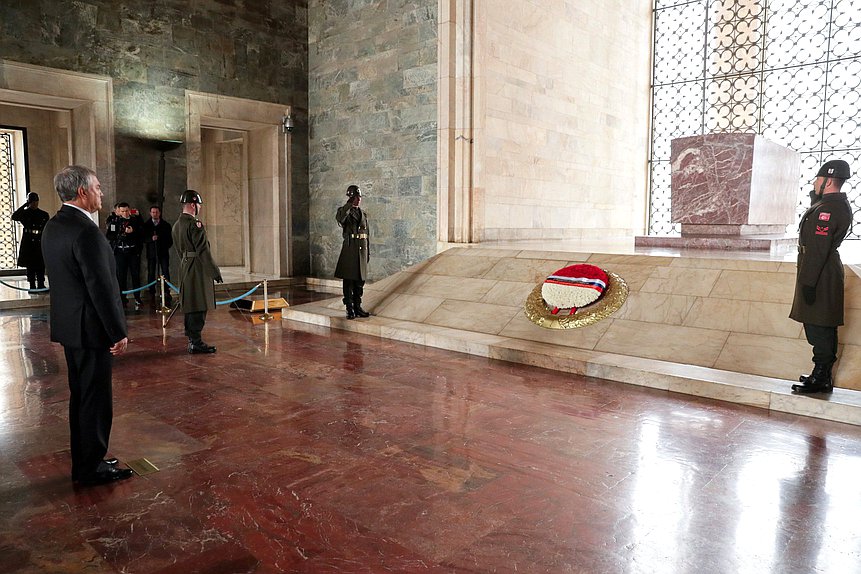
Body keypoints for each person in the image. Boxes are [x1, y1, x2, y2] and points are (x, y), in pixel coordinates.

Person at [40, 165, 133, 486]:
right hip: (92, 330)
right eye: (96, 187)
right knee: (95, 399)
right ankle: (90, 469)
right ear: (82, 192)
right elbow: (101, 287)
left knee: (81, 396)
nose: (101, 193)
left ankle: (87, 457)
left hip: (70, 327)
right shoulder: (86, 232)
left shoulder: (54, 226)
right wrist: (117, 331)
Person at [790, 159, 853, 394]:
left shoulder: (828, 210)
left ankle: (822, 377)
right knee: (818, 322)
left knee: (820, 324)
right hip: (820, 268)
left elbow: (817, 248)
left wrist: (808, 282)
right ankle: (820, 372)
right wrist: (815, 199)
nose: (814, 183)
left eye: (818, 179)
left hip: (820, 271)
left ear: (827, 181)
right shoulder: (829, 205)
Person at [172, 190, 222, 354]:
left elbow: (179, 251)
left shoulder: (177, 224)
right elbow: (203, 251)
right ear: (193, 205)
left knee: (191, 303)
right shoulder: (195, 224)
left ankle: (193, 339)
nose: (200, 207)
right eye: (199, 204)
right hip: (197, 268)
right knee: (199, 304)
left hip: (186, 266)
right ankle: (196, 341)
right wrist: (214, 271)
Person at [334, 184, 371, 319]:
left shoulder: (363, 214)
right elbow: (340, 218)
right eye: (356, 197)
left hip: (361, 250)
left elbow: (367, 234)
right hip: (350, 250)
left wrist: (368, 252)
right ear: (350, 198)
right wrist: (348, 205)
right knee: (349, 281)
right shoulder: (344, 212)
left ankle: (358, 306)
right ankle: (349, 308)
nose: (359, 199)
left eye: (359, 197)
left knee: (359, 281)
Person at [106, 202, 145, 310]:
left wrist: (133, 231)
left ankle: (137, 298)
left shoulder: (134, 220)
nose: (125, 213)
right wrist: (119, 233)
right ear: (119, 211)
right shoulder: (115, 221)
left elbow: (142, 233)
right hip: (120, 252)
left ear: (129, 210)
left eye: (126, 211)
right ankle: (122, 299)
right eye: (122, 211)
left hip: (133, 252)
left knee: (135, 275)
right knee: (121, 276)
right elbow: (109, 235)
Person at [11, 191, 50, 291]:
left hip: (39, 240)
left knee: (40, 264)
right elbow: (14, 216)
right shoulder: (25, 213)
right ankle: (32, 284)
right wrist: (25, 205)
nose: (35, 203)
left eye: (36, 201)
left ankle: (41, 283)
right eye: (32, 201)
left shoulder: (43, 214)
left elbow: (47, 228)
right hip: (28, 241)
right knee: (31, 265)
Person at [142, 205, 173, 306]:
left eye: (156, 212)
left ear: (159, 213)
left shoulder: (166, 225)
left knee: (165, 271)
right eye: (153, 212)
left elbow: (170, 240)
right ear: (150, 213)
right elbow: (143, 238)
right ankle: (152, 292)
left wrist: (162, 243)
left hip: (163, 253)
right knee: (151, 272)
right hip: (151, 253)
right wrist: (151, 239)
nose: (155, 214)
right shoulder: (146, 225)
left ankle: (166, 291)